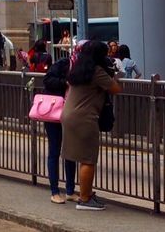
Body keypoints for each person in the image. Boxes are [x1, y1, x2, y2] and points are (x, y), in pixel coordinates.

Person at [62, 40, 121, 210]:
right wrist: (113, 74)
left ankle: (84, 194)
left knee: (81, 157)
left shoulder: (79, 69)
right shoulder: (97, 71)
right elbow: (116, 88)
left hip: (69, 115)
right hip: (85, 118)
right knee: (88, 159)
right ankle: (85, 199)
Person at [42, 53, 78, 203]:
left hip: (71, 113)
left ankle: (70, 190)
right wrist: (66, 83)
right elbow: (48, 80)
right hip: (54, 113)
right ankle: (54, 191)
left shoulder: (85, 68)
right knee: (54, 151)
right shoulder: (64, 63)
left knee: (70, 152)